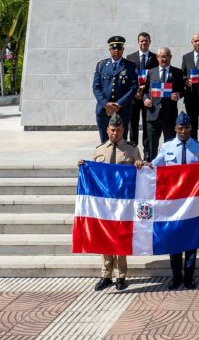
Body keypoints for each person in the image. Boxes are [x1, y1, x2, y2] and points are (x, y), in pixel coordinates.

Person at [145, 112, 199, 290]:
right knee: (173, 238)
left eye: (186, 128)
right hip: (172, 203)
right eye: (180, 128)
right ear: (175, 128)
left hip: (191, 203)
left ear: (191, 128)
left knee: (191, 240)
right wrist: (143, 165)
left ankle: (189, 276)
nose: (183, 131)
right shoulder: (167, 147)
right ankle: (175, 276)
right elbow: (155, 166)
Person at [79, 113, 139, 291]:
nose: (115, 133)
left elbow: (140, 172)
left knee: (120, 237)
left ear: (123, 131)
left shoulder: (132, 150)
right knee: (104, 237)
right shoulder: (99, 150)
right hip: (104, 204)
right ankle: (106, 275)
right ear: (107, 130)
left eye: (119, 130)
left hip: (123, 203)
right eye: (112, 130)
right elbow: (95, 175)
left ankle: (121, 275)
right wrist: (84, 167)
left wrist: (139, 163)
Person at [92, 36, 138, 143]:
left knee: (121, 142)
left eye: (119, 48)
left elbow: (133, 87)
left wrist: (118, 105)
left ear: (123, 50)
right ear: (110, 49)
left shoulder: (130, 66)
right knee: (104, 142)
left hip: (122, 110)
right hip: (104, 111)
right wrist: (105, 104)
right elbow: (96, 87)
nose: (116, 50)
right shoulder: (101, 65)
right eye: (114, 48)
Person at [143, 46, 184, 161]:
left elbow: (182, 90)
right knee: (152, 145)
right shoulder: (151, 72)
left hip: (169, 115)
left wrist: (178, 95)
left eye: (166, 56)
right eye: (162, 56)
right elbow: (145, 91)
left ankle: (169, 167)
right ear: (157, 57)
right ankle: (152, 167)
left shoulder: (177, 72)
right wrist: (145, 99)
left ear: (170, 57)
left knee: (170, 144)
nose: (164, 59)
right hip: (153, 114)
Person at [125, 32, 158, 153]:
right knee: (133, 124)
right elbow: (128, 77)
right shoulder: (130, 57)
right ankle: (133, 149)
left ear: (150, 42)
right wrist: (135, 91)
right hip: (134, 96)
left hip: (148, 97)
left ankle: (147, 151)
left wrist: (145, 90)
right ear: (138, 42)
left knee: (147, 124)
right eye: (141, 40)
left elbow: (156, 77)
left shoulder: (156, 58)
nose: (144, 43)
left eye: (146, 40)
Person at [181, 33, 199, 136]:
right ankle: (194, 148)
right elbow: (182, 74)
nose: (198, 43)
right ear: (192, 43)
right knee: (192, 124)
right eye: (195, 41)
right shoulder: (186, 57)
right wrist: (186, 81)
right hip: (191, 96)